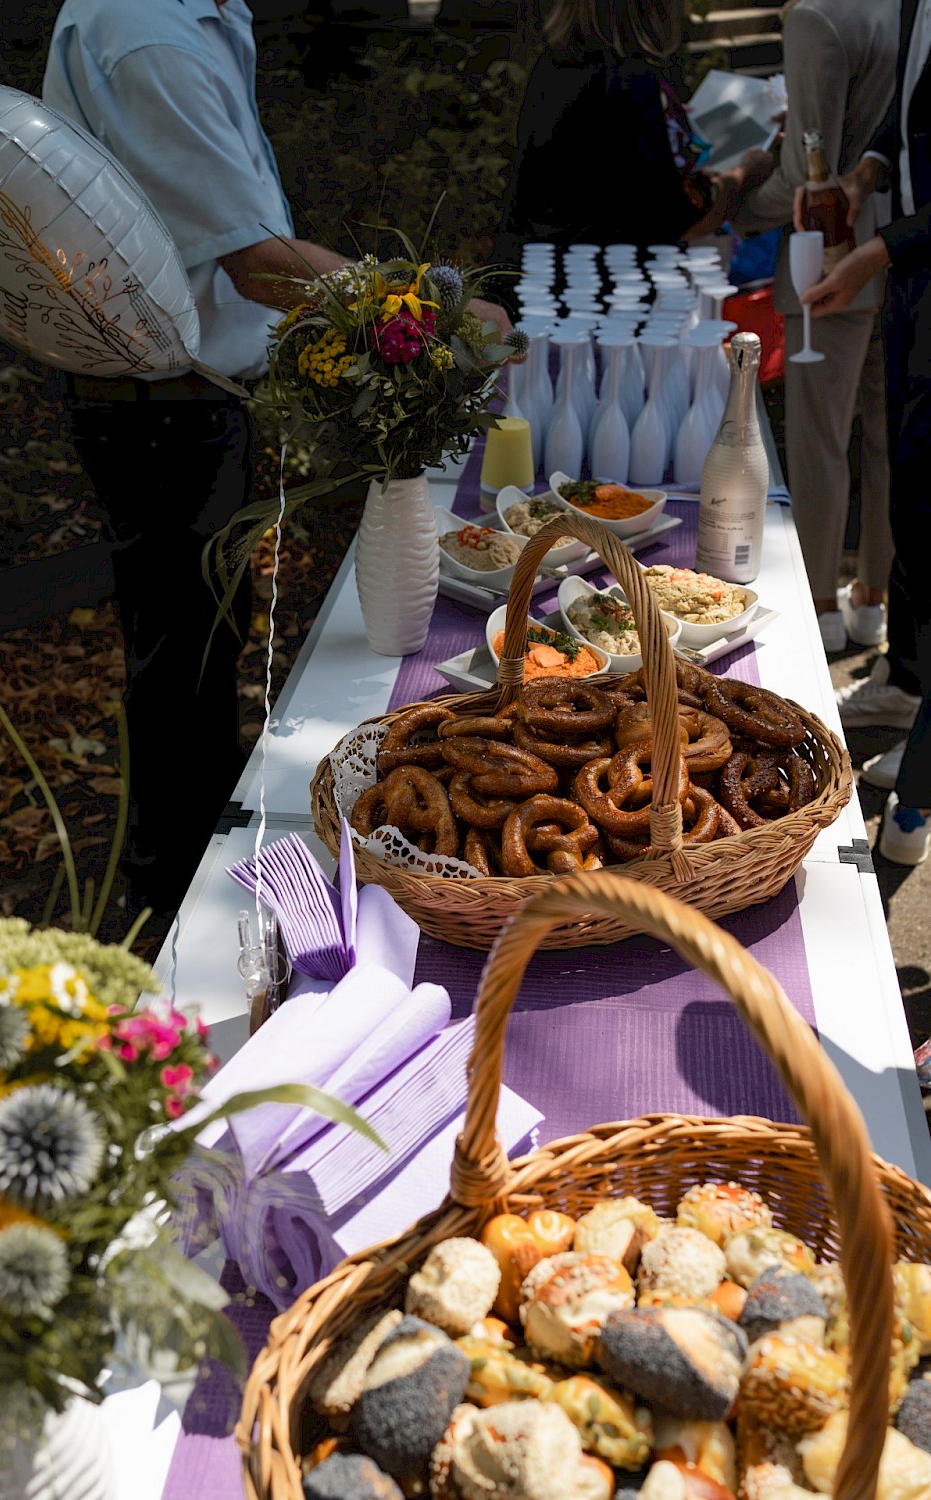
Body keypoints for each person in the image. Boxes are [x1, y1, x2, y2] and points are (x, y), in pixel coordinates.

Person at [42, 0, 513, 924]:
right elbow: (256, 264)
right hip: (160, 404)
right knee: (186, 653)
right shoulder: (146, 34)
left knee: (198, 643)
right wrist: (430, 310)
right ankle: (181, 906)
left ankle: (187, 875)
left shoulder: (189, 18)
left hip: (185, 390)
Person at [800, 0, 931, 866]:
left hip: (910, 256)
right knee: (913, 479)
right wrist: (867, 172)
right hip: (916, 277)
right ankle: (906, 684)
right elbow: (907, 113)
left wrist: (877, 250)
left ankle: (919, 797)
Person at [732, 0, 898, 657]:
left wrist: (741, 199)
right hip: (902, 254)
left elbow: (808, 172)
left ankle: (822, 601)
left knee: (819, 442)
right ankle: (873, 599)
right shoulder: (903, 9)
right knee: (886, 440)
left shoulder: (816, 17)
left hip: (827, 258)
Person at [490, 0, 771, 270]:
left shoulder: (552, 67)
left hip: (538, 274)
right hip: (600, 289)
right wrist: (743, 172)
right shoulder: (632, 81)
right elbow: (679, 217)